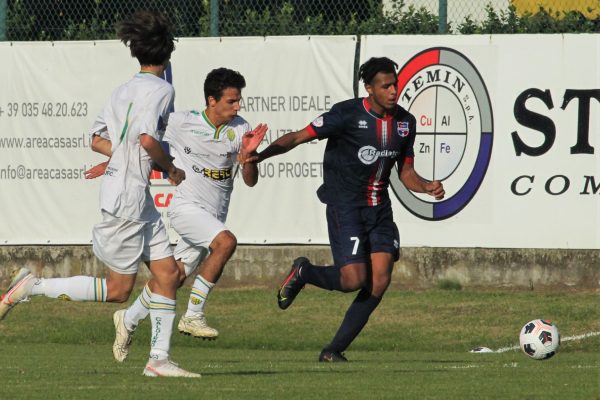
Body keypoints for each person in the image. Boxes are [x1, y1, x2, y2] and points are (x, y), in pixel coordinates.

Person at [0, 10, 200, 378]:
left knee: (168, 275)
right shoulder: (163, 90)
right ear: (168, 53)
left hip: (136, 199)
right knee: (118, 291)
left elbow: (97, 140)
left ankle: (158, 360)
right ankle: (34, 286)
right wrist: (170, 169)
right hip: (128, 200)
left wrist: (119, 159)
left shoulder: (121, 90)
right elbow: (146, 140)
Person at [243, 57, 445, 362]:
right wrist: (261, 156)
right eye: (385, 85)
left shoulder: (405, 123)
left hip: (379, 210)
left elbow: (405, 173)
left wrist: (427, 185)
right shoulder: (346, 114)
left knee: (379, 280)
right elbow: (298, 137)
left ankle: (333, 350)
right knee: (353, 280)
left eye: (395, 84)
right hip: (346, 206)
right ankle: (304, 271)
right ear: (369, 89)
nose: (393, 91)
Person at [89, 68, 267, 362]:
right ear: (212, 100)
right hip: (185, 208)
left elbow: (250, 180)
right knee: (225, 243)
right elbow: (141, 140)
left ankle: (128, 318)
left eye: (239, 101)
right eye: (231, 101)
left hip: (213, 215)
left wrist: (248, 156)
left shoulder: (241, 128)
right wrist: (114, 161)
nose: (238, 107)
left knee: (173, 279)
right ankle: (193, 315)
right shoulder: (181, 122)